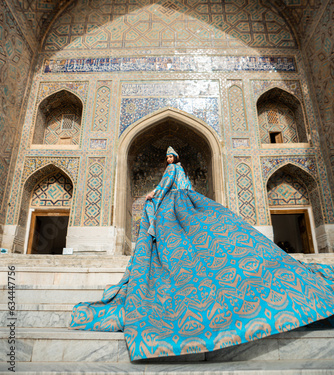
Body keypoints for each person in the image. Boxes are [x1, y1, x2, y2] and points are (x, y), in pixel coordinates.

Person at [69, 146, 334, 360]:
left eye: (170, 157)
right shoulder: (183, 173)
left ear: (174, 159)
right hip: (190, 204)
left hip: (176, 205)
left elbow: (164, 186)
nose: (169, 160)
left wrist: (151, 195)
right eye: (168, 157)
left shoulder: (172, 170)